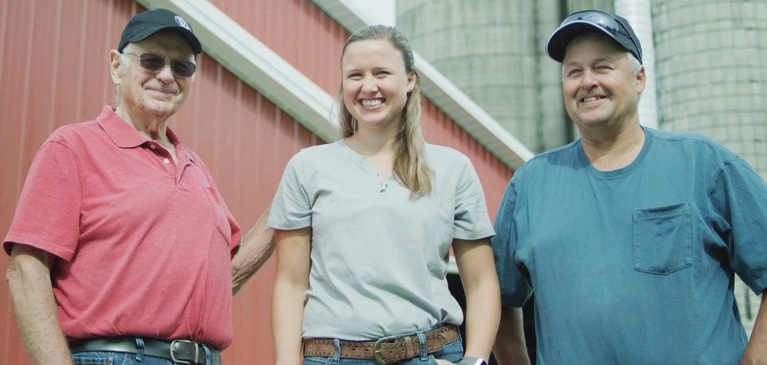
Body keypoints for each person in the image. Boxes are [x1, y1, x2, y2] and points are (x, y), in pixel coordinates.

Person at [491, 9, 767, 364]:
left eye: (602, 67)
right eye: (573, 72)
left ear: (639, 79)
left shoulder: (704, 164)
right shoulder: (531, 183)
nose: (587, 81)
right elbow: (496, 296)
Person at [4, 8, 273, 365]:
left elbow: (229, 274)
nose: (166, 76)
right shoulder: (73, 147)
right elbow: (26, 270)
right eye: (151, 61)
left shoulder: (196, 168)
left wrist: (292, 201)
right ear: (117, 66)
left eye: (182, 67)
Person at [268, 25, 500, 365]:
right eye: (355, 75)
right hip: (334, 357)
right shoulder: (307, 167)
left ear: (409, 81)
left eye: (381, 73)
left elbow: (481, 282)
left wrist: (475, 360)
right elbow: (289, 284)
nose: (368, 87)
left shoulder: (452, 169)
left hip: (430, 354)